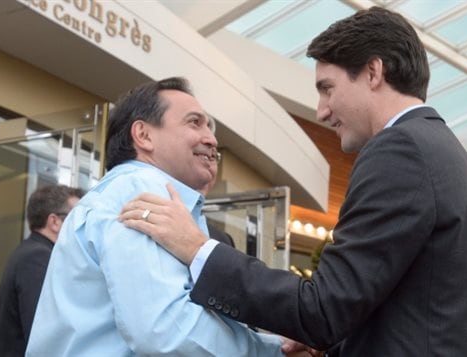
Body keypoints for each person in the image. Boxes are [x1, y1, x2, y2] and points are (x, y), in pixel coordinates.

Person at [120, 6, 467, 356]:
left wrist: (197, 248)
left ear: (372, 72)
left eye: (326, 88)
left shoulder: (400, 150)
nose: (321, 111)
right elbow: (415, 308)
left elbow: (324, 309)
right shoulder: (451, 156)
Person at [26, 78, 294, 356]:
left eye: (210, 127)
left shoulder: (129, 191)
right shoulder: (141, 188)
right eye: (194, 122)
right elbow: (166, 330)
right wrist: (272, 352)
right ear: (143, 135)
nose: (212, 139)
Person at [0, 184, 83, 357]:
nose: (82, 227)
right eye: (76, 219)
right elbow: (45, 333)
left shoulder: (32, 251)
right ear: (55, 222)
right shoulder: (37, 257)